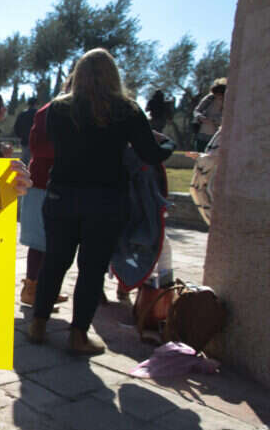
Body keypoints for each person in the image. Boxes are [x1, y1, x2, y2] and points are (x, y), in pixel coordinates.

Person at [28, 49, 173, 355]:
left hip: (61, 195)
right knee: (91, 268)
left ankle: (38, 324)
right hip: (105, 200)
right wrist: (168, 143)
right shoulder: (126, 110)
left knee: (54, 260)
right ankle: (78, 335)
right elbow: (150, 154)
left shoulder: (58, 109)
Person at [18, 98, 68, 307]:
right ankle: (31, 289)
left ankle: (46, 289)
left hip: (58, 184)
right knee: (39, 241)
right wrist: (69, 149)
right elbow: (38, 147)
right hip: (42, 184)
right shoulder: (49, 112)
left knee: (53, 243)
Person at [193, 78, 226, 151]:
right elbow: (196, 111)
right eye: (216, 93)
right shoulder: (209, 98)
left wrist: (216, 120)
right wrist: (200, 117)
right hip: (202, 133)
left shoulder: (229, 101)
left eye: (220, 94)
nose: (218, 96)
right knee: (200, 153)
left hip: (217, 136)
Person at [12, 95, 37, 163]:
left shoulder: (22, 114)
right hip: (36, 141)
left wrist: (21, 136)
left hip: (25, 141)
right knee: (35, 161)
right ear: (35, 104)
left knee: (25, 161)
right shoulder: (38, 114)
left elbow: (16, 127)